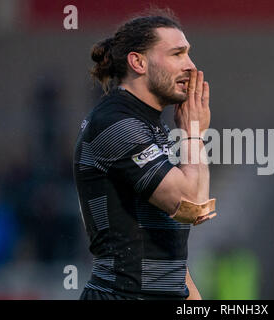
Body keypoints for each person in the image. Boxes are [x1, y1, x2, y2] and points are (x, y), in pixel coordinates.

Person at [73, 10, 216, 300]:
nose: (190, 66)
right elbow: (193, 203)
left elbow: (166, 232)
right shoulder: (116, 123)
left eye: (188, 54)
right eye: (177, 54)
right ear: (138, 62)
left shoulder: (149, 123)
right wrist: (193, 132)